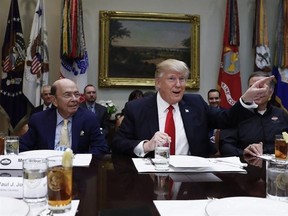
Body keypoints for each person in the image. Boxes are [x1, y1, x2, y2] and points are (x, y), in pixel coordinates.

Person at [111, 59, 274, 158]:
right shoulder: (137, 108)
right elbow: (118, 144)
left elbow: (226, 119)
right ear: (158, 83)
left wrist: (246, 99)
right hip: (150, 178)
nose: (178, 84)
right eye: (172, 79)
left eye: (182, 79)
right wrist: (146, 145)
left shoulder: (195, 103)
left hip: (193, 178)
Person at [20, 78, 109, 155]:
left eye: (76, 94)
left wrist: (77, 160)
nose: (74, 99)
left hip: (77, 170)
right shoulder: (39, 119)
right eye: (68, 95)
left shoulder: (89, 118)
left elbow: (101, 148)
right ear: (54, 100)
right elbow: (22, 147)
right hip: (48, 169)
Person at [219, 71, 288, 157]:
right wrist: (244, 152)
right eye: (252, 87)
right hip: (246, 164)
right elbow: (225, 147)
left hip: (277, 165)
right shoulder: (236, 114)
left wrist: (268, 151)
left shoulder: (281, 114)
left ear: (271, 91)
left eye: (261, 87)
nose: (256, 92)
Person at [207, 89, 224, 156]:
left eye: (216, 98)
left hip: (223, 149)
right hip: (207, 149)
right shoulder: (202, 113)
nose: (214, 101)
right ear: (208, 99)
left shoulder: (226, 113)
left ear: (220, 99)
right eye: (211, 99)